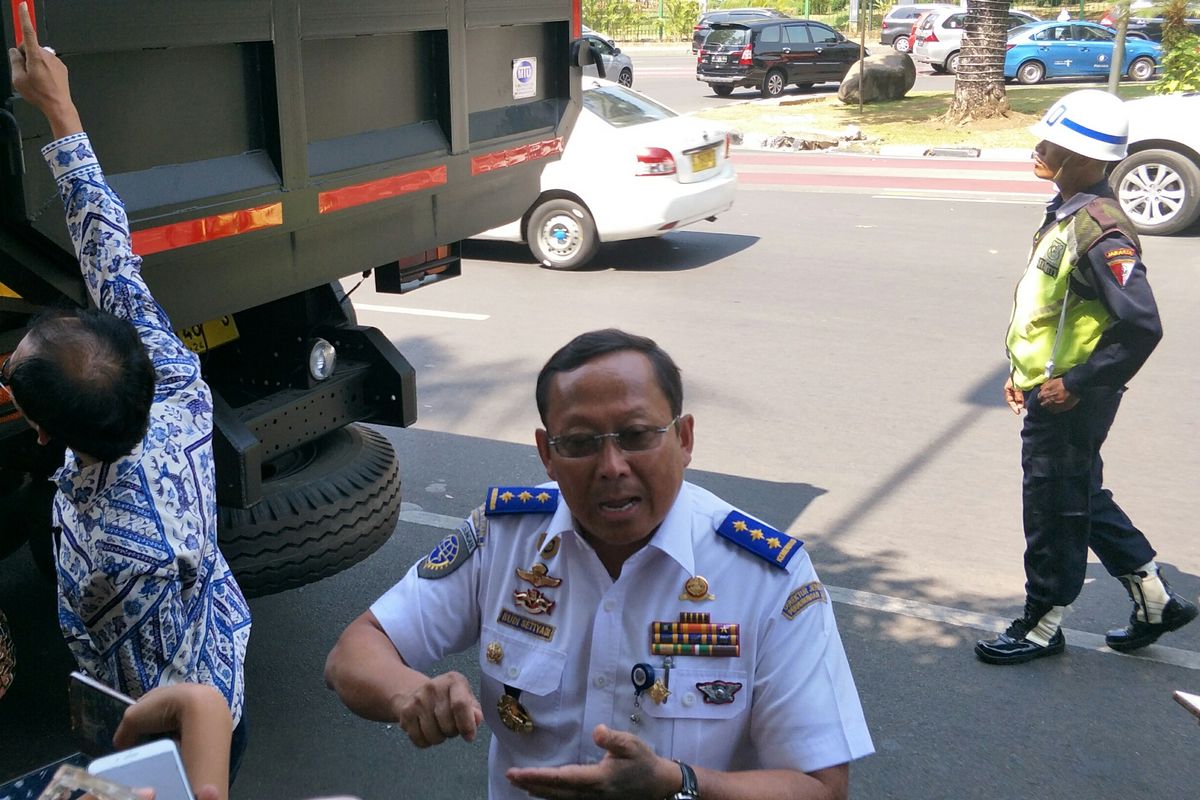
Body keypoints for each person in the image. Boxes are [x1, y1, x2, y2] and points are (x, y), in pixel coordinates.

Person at [325, 328, 873, 799]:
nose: (612, 467)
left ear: (683, 439)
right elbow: (355, 651)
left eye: (637, 436)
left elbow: (821, 786)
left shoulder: (768, 577)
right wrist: (410, 695)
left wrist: (677, 783)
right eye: (581, 443)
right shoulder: (506, 537)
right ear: (546, 452)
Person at [5, 1, 252, 768]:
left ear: (44, 434)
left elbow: (115, 677)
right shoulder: (176, 385)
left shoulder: (112, 547)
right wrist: (58, 105)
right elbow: (106, 247)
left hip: (170, 736)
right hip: (224, 662)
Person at [975, 89, 1197, 666]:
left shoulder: (1102, 229)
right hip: (1049, 385)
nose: (1039, 149)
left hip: (1073, 398)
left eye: (1054, 144)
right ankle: (1155, 600)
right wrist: (1019, 370)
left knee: (1052, 506)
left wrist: (1075, 383)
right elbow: (1053, 310)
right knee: (1081, 493)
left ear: (1086, 159)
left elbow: (1141, 325)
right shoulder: (1069, 213)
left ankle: (1043, 624)